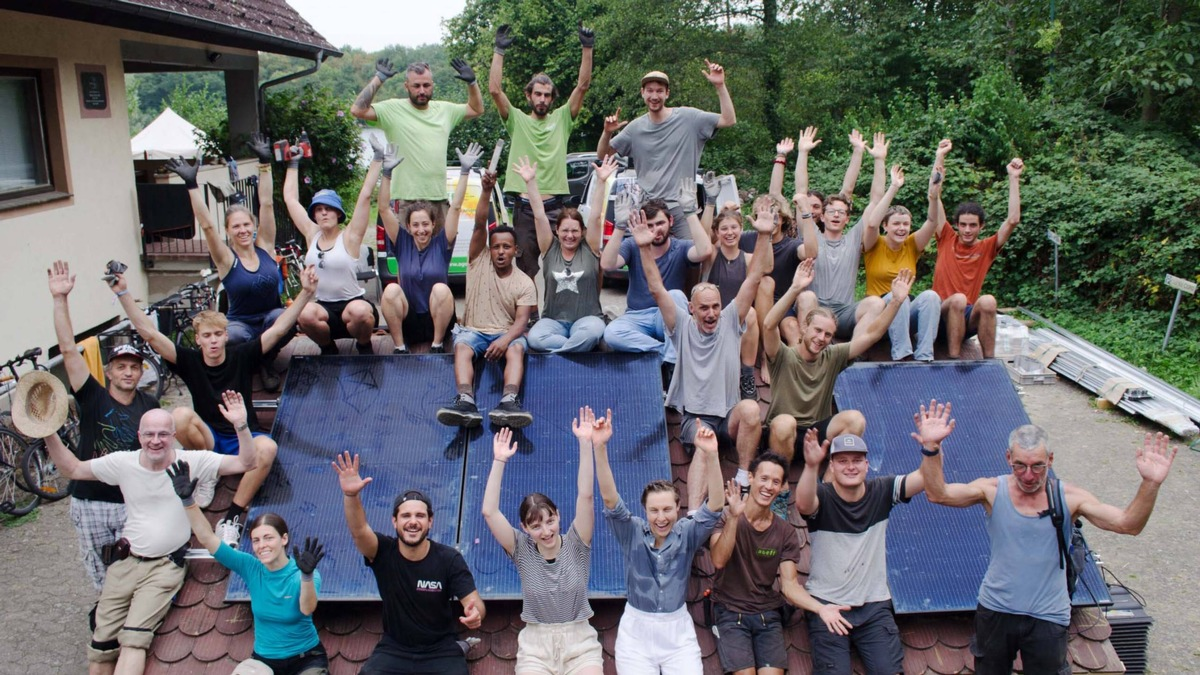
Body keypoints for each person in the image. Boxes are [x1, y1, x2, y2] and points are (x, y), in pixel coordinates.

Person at [920, 404, 1178, 675]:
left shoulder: (1069, 498)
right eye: (1020, 466)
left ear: (1051, 461)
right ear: (1008, 458)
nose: (1028, 476)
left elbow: (1128, 525)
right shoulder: (992, 490)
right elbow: (939, 494)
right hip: (996, 609)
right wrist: (931, 447)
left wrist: (1151, 483)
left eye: (1037, 467)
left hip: (1048, 615)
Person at [41, 395, 258, 675]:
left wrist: (241, 425)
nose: (156, 440)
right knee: (101, 646)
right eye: (149, 434)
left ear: (174, 436)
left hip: (163, 567)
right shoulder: (123, 463)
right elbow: (72, 468)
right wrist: (47, 432)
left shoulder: (190, 461)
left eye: (163, 434)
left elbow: (247, 463)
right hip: (125, 563)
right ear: (139, 436)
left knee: (133, 641)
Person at [111, 266, 317, 545]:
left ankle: (231, 516)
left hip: (242, 437)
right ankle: (206, 474)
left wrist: (306, 293)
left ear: (225, 336)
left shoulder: (241, 355)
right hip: (209, 438)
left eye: (218, 334)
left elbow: (279, 328)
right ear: (198, 339)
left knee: (268, 447)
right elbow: (150, 334)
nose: (213, 341)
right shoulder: (189, 361)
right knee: (180, 415)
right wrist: (123, 292)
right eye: (207, 336)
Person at [794, 403, 954, 675]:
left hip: (874, 606)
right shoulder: (823, 497)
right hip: (828, 604)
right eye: (842, 461)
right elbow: (804, 503)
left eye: (857, 460)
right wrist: (810, 467)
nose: (850, 467)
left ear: (867, 464)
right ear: (831, 465)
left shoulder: (882, 491)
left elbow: (925, 478)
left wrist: (932, 447)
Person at [641, 199, 773, 511]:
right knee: (703, 441)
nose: (712, 312)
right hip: (696, 417)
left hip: (728, 417)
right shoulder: (681, 326)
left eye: (715, 306)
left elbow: (753, 280)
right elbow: (658, 289)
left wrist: (764, 235)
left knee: (752, 410)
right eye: (705, 307)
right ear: (692, 310)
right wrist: (645, 246)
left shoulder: (730, 321)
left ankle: (742, 476)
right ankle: (692, 515)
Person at [47, 261, 160, 592]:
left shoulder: (149, 406)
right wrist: (60, 299)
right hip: (92, 500)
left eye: (134, 367)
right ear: (108, 372)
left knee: (135, 569)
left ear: (142, 374)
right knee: (101, 576)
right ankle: (107, 624)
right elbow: (68, 349)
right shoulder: (92, 396)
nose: (128, 372)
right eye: (121, 366)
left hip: (131, 502)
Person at [167, 459, 329, 675]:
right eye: (256, 540)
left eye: (268, 538)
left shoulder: (303, 573)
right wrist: (188, 500)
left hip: (306, 660)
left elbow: (307, 609)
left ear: (284, 539)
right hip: (264, 661)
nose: (262, 546)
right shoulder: (251, 567)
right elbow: (207, 538)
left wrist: (306, 576)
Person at [333, 452, 485, 675]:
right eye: (405, 516)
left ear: (430, 521)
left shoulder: (448, 559)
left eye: (420, 516)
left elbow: (475, 603)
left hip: (441, 650)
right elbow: (359, 531)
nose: (413, 522)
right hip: (395, 649)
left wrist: (475, 614)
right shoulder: (382, 551)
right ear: (395, 521)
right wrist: (351, 496)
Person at [597, 410, 724, 673]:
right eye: (654, 510)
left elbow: (715, 505)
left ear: (678, 508)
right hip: (636, 634)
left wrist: (711, 456)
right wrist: (600, 448)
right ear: (645, 510)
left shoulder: (687, 533)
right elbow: (610, 500)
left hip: (677, 633)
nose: (661, 517)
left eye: (667, 509)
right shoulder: (631, 531)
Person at [481, 410, 604, 674]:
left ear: (559, 516)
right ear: (525, 528)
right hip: (536, 646)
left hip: (580, 643)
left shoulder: (577, 542)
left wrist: (585, 444)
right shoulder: (521, 549)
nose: (545, 531)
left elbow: (586, 496)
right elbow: (490, 512)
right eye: (536, 526)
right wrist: (499, 460)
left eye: (550, 521)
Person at [762, 261, 914, 471]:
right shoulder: (783, 355)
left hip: (816, 435)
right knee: (784, 422)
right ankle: (782, 487)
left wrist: (896, 302)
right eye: (817, 331)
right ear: (804, 328)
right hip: (782, 434)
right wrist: (795, 287)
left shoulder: (832, 356)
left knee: (855, 419)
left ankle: (830, 483)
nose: (821, 338)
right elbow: (769, 325)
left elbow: (872, 334)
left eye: (827, 334)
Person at [709, 453, 852, 675]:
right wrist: (735, 518)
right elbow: (718, 560)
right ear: (751, 478)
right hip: (730, 610)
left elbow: (790, 585)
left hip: (766, 612)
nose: (769, 486)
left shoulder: (785, 532)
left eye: (776, 482)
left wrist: (821, 608)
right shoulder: (729, 514)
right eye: (764, 479)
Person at [489, 23, 594, 279]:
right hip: (524, 209)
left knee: (564, 268)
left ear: (552, 99)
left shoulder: (562, 119)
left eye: (547, 95)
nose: (542, 100)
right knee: (526, 269)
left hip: (555, 206)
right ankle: (531, 316)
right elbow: (494, 90)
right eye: (538, 94)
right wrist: (498, 51)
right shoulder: (516, 120)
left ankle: (557, 314)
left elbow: (582, 87)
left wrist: (587, 47)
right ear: (529, 96)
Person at [436, 170, 537, 428]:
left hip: (506, 333)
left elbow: (522, 322)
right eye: (496, 246)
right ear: (489, 249)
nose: (500, 251)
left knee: (516, 348)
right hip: (475, 332)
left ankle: (509, 401)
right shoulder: (478, 261)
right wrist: (485, 191)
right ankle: (465, 400)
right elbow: (480, 224)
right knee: (461, 345)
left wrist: (504, 340)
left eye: (506, 247)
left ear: (516, 251)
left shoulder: (524, 282)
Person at [597, 61, 736, 236]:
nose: (654, 96)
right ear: (642, 93)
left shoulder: (689, 118)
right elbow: (603, 155)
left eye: (659, 91)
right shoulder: (635, 128)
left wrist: (720, 85)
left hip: (683, 208)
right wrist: (607, 133)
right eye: (650, 91)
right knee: (649, 260)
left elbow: (728, 120)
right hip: (649, 211)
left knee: (692, 256)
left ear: (667, 94)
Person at [351, 57, 484, 224]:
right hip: (406, 201)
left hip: (438, 200)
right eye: (416, 86)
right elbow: (357, 110)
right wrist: (379, 78)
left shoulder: (445, 110)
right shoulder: (392, 109)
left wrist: (472, 83)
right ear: (406, 86)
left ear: (432, 85)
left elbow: (477, 109)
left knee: (441, 250)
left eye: (426, 85)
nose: (422, 91)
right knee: (406, 251)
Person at [379, 143, 482, 354]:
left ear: (433, 225)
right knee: (390, 290)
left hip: (439, 322)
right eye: (415, 225)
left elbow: (455, 208)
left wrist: (465, 172)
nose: (421, 230)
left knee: (441, 289)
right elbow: (382, 208)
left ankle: (436, 346)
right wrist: (386, 173)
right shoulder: (402, 242)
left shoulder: (442, 243)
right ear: (408, 226)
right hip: (411, 321)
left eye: (425, 224)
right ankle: (400, 347)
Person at [600, 189, 713, 377]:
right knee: (612, 334)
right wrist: (620, 227)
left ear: (670, 222)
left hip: (667, 317)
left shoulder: (680, 247)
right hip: (637, 316)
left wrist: (690, 213)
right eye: (649, 225)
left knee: (676, 295)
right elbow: (607, 264)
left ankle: (670, 366)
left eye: (660, 223)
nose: (655, 230)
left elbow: (704, 251)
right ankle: (668, 357)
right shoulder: (633, 245)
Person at [284, 142, 382, 355]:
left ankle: (364, 345)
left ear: (338, 213)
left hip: (351, 307)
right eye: (319, 210)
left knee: (361, 312)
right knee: (303, 314)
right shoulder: (312, 234)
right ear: (315, 215)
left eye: (329, 209)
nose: (324, 213)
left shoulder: (350, 237)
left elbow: (365, 196)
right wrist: (292, 163)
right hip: (324, 307)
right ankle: (328, 349)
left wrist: (377, 159)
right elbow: (290, 200)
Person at [795, 132, 893, 341]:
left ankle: (852, 353)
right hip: (815, 308)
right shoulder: (812, 233)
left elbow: (875, 200)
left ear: (848, 219)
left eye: (841, 212)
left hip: (844, 312)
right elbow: (801, 193)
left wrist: (879, 160)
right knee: (806, 296)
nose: (836, 215)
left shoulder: (854, 238)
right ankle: (804, 356)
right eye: (831, 212)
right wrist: (802, 153)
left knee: (876, 302)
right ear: (822, 216)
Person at [860, 143, 948, 361]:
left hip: (905, 310)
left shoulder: (912, 244)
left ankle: (925, 355)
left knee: (930, 296)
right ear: (886, 226)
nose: (901, 228)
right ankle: (902, 356)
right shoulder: (874, 243)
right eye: (896, 224)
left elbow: (932, 220)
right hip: (880, 309)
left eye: (905, 224)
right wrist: (894, 187)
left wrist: (934, 194)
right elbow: (871, 224)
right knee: (897, 296)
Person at [932, 157, 1025, 358]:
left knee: (989, 301)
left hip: (966, 318)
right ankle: (954, 359)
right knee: (957, 299)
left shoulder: (987, 247)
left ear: (981, 226)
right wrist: (940, 158)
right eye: (963, 225)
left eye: (973, 225)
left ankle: (989, 362)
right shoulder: (946, 237)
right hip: (940, 315)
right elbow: (934, 199)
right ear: (956, 224)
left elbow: (1013, 220)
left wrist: (1014, 178)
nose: (967, 230)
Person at [522, 154, 610, 353]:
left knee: (591, 334)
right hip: (554, 322)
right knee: (535, 338)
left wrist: (601, 181)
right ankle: (577, 348)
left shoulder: (590, 248)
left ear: (582, 232)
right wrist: (531, 182)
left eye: (575, 231)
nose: (570, 235)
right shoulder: (549, 248)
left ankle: (567, 348)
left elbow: (595, 216)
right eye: (565, 230)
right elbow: (539, 216)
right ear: (557, 231)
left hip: (587, 320)